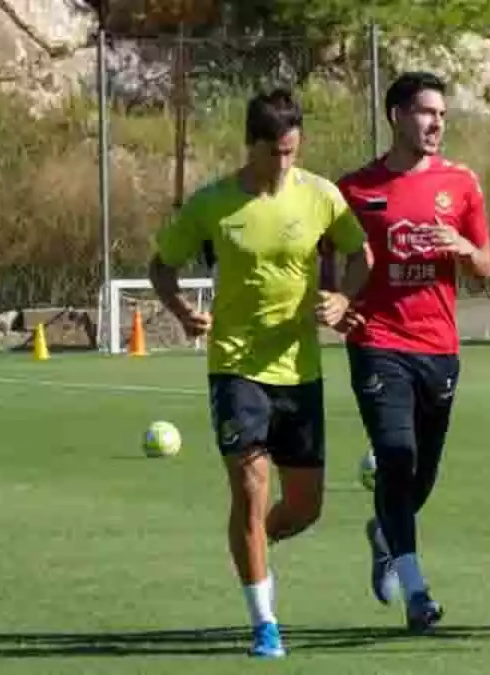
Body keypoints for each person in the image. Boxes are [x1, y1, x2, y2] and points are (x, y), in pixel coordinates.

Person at [148, 88, 369, 658]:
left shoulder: (322, 197)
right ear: (253, 146)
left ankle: (252, 546)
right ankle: (264, 622)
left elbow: (360, 255)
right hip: (236, 367)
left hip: (300, 368)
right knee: (250, 489)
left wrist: (343, 301)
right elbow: (161, 265)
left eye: (293, 152)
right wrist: (179, 310)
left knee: (305, 506)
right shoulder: (212, 204)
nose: (284, 164)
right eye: (275, 153)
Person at [328, 71, 490, 633]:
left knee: (420, 477)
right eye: (425, 112)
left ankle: (384, 535)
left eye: (442, 115)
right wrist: (334, 300)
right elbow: (329, 259)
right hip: (377, 342)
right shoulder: (353, 189)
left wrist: (465, 247)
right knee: (395, 458)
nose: (435, 124)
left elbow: (486, 268)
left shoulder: (461, 183)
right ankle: (418, 594)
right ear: (396, 114)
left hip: (440, 347)